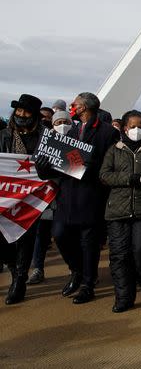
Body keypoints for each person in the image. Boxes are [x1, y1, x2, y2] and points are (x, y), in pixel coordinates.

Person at [41, 92, 119, 305]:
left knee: (89, 243)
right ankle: (76, 270)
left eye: (76, 103)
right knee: (60, 234)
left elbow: (109, 164)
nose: (72, 105)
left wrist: (90, 167)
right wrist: (44, 169)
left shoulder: (108, 133)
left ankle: (87, 283)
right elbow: (58, 163)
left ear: (84, 107)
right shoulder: (70, 130)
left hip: (91, 195)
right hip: (67, 195)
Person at [99, 110, 141, 312]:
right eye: (132, 126)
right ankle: (123, 297)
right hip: (117, 210)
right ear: (125, 128)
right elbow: (104, 175)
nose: (136, 130)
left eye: (140, 126)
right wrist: (129, 178)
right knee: (119, 255)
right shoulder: (114, 150)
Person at [1, 94, 45, 304]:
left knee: (26, 239)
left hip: (33, 197)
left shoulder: (46, 138)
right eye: (18, 111)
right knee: (3, 239)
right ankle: (12, 266)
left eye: (26, 112)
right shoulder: (4, 136)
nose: (21, 115)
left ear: (34, 115)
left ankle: (19, 279)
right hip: (6, 195)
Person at [28, 110, 74, 286]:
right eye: (57, 122)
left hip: (66, 196)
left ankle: (73, 268)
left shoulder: (78, 142)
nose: (62, 125)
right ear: (52, 126)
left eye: (65, 121)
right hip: (46, 195)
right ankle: (38, 268)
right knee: (41, 233)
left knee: (63, 234)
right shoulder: (44, 142)